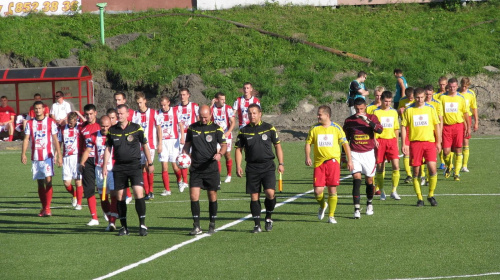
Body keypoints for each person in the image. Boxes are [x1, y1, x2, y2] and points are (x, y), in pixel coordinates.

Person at [102, 104, 154, 236]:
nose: (119, 116)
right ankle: (124, 227)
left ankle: (142, 225)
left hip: (134, 165)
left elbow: (145, 145)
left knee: (138, 192)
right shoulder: (112, 130)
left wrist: (150, 162)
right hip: (119, 167)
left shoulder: (136, 128)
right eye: (117, 114)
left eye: (121, 113)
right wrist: (104, 165)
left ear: (127, 114)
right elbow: (108, 148)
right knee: (120, 196)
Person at [235, 104, 284, 233]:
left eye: (254, 113)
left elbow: (277, 146)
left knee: (270, 193)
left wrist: (281, 163)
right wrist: (238, 165)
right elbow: (239, 150)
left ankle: (268, 218)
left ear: (260, 113)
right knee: (254, 196)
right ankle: (257, 225)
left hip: (268, 166)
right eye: (250, 113)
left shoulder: (269, 128)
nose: (252, 115)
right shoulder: (243, 131)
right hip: (252, 167)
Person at [182, 105, 227, 235]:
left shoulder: (216, 128)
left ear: (211, 114)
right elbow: (187, 145)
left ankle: (212, 223)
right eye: (201, 117)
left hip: (211, 168)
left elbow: (224, 145)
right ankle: (196, 226)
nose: (204, 119)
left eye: (206, 117)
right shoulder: (192, 128)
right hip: (196, 168)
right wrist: (184, 154)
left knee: (212, 196)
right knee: (193, 196)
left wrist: (220, 154)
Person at [305, 105, 352, 224]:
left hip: (333, 163)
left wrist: (349, 160)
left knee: (332, 189)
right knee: (317, 191)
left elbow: (345, 144)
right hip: (319, 164)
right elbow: (308, 143)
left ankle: (331, 215)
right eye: (318, 114)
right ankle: (322, 205)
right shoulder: (314, 128)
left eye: (320, 114)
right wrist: (307, 157)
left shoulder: (336, 128)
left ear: (327, 115)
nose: (318, 116)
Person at [343, 98, 383, 219]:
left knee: (369, 181)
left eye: (361, 108)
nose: (359, 111)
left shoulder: (372, 117)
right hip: (355, 153)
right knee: (356, 179)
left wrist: (368, 121)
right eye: (357, 109)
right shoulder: (349, 120)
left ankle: (369, 203)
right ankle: (356, 208)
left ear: (365, 106)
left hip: (368, 153)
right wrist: (344, 155)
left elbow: (380, 130)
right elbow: (345, 140)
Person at [401, 88, 441, 207]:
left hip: (429, 143)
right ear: (414, 97)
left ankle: (431, 195)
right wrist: (404, 143)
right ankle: (419, 198)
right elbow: (403, 127)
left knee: (432, 169)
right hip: (415, 144)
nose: (420, 100)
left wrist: (438, 142)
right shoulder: (409, 110)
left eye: (422, 97)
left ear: (425, 97)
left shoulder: (430, 108)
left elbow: (436, 125)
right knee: (416, 172)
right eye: (417, 97)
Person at [21, 101, 63, 216]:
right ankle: (44, 207)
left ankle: (48, 208)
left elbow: (55, 139)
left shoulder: (50, 122)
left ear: (44, 109)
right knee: (40, 183)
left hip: (47, 157)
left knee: (48, 181)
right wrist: (23, 153)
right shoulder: (30, 123)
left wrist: (59, 155)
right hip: (35, 157)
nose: (38, 110)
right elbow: (26, 139)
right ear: (33, 110)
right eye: (36, 108)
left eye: (40, 108)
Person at [80, 116, 118, 231]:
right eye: (103, 126)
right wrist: (82, 163)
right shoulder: (94, 136)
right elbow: (88, 150)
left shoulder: (115, 135)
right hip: (99, 169)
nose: (105, 128)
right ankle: (109, 214)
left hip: (112, 169)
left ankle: (112, 222)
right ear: (99, 125)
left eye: (107, 126)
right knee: (103, 197)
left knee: (114, 195)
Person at [439, 78, 470, 181]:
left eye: (454, 86)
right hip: (446, 127)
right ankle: (449, 165)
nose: (452, 88)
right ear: (448, 86)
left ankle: (456, 173)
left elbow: (465, 114)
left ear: (457, 86)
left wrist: (468, 127)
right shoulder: (442, 97)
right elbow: (440, 115)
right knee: (446, 152)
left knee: (458, 150)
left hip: (458, 126)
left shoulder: (461, 98)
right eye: (451, 86)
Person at [373, 91, 401, 200]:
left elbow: (396, 128)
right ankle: (382, 191)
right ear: (381, 100)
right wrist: (374, 139)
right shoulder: (376, 112)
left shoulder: (394, 112)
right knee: (380, 168)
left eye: (390, 101)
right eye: (386, 101)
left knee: (396, 166)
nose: (388, 103)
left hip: (391, 141)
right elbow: (372, 128)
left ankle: (394, 191)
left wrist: (396, 142)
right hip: (380, 142)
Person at [155, 95, 185, 196]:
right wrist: (159, 144)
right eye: (161, 105)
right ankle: (167, 190)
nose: (163, 107)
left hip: (174, 141)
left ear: (169, 103)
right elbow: (158, 129)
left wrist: (182, 137)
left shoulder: (175, 111)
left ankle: (179, 180)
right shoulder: (157, 114)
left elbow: (181, 124)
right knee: (164, 167)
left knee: (175, 166)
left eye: (165, 105)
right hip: (163, 142)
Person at [132, 92, 159, 200]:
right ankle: (147, 192)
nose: (139, 105)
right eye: (137, 103)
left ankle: (151, 190)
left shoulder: (153, 113)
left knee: (149, 166)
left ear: (145, 101)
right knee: (143, 169)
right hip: (139, 146)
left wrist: (160, 142)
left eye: (141, 102)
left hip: (150, 144)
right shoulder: (135, 115)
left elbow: (158, 128)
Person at [78, 104, 101, 226]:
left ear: (95, 113)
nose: (89, 116)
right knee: (89, 188)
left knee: (103, 188)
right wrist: (79, 162)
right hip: (87, 161)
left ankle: (108, 213)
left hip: (100, 160)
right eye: (87, 114)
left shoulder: (101, 126)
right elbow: (80, 146)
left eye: (91, 114)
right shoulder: (82, 128)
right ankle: (94, 218)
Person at [58, 112, 83, 210]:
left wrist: (79, 114)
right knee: (67, 183)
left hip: (77, 157)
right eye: (69, 122)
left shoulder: (80, 128)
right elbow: (59, 142)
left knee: (78, 181)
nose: (70, 124)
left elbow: (88, 123)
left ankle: (79, 204)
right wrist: (58, 154)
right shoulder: (63, 129)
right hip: (66, 158)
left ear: (76, 121)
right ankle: (75, 195)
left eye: (72, 122)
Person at [176, 88, 199, 191]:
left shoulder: (194, 106)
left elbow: (199, 119)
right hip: (182, 134)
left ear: (188, 95)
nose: (182, 96)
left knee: (195, 156)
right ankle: (184, 182)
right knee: (183, 157)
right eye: (181, 95)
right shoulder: (176, 108)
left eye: (184, 94)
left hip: (193, 134)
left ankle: (196, 177)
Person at [112, 92, 134, 203]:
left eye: (119, 100)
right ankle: (124, 193)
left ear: (124, 100)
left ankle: (128, 194)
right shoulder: (114, 114)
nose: (117, 102)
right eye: (116, 100)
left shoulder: (130, 114)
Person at [211, 92, 236, 183]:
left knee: (227, 155)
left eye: (224, 99)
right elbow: (207, 117)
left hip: (226, 135)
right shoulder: (212, 108)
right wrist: (211, 105)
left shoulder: (228, 108)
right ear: (216, 99)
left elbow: (233, 122)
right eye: (222, 99)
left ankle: (229, 174)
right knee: (217, 154)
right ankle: (217, 176)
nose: (224, 101)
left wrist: (228, 132)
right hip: (215, 135)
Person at [459, 77, 479, 172]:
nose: (463, 88)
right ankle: (455, 164)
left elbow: (474, 108)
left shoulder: (471, 94)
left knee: (466, 141)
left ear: (468, 86)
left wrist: (476, 122)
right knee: (457, 143)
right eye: (462, 86)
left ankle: (464, 165)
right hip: (458, 119)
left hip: (468, 119)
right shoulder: (457, 93)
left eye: (465, 86)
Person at [398, 87, 415, 184]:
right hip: (406, 127)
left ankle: (422, 175)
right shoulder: (402, 100)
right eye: (409, 97)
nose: (411, 98)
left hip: (416, 128)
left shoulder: (418, 100)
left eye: (412, 97)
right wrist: (400, 112)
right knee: (406, 151)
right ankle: (409, 174)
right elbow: (398, 112)